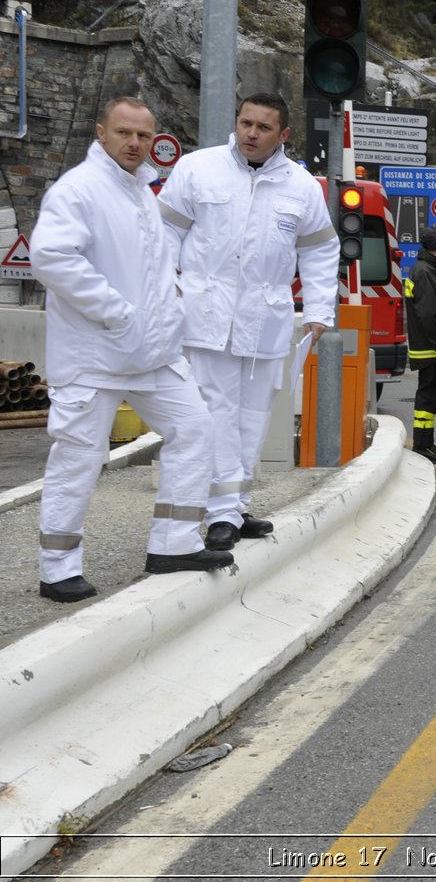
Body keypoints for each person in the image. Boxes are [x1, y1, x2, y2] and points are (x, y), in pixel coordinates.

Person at [32, 97, 234, 602]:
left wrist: (171, 306)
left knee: (194, 429)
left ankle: (173, 542)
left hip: (154, 354)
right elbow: (51, 258)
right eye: (124, 133)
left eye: (143, 136)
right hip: (93, 357)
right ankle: (57, 569)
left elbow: (151, 268)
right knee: (78, 458)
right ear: (102, 132)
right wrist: (116, 310)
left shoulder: (141, 190)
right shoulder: (78, 190)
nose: (134, 143)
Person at [159, 92, 341, 550]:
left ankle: (235, 507)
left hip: (264, 320)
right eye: (245, 124)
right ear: (235, 123)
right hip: (205, 316)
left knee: (253, 419)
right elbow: (163, 235)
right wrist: (168, 289)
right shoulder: (199, 169)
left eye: (263, 128)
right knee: (217, 416)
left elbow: (319, 251)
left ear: (283, 135)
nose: (251, 134)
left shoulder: (300, 187)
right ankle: (220, 513)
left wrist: (319, 312)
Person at [403, 226, 436, 463]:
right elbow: (429, 314)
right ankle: (422, 444)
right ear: (434, 244)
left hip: (432, 345)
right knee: (428, 397)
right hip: (431, 347)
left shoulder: (430, 268)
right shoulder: (424, 272)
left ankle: (425, 443)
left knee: (430, 396)